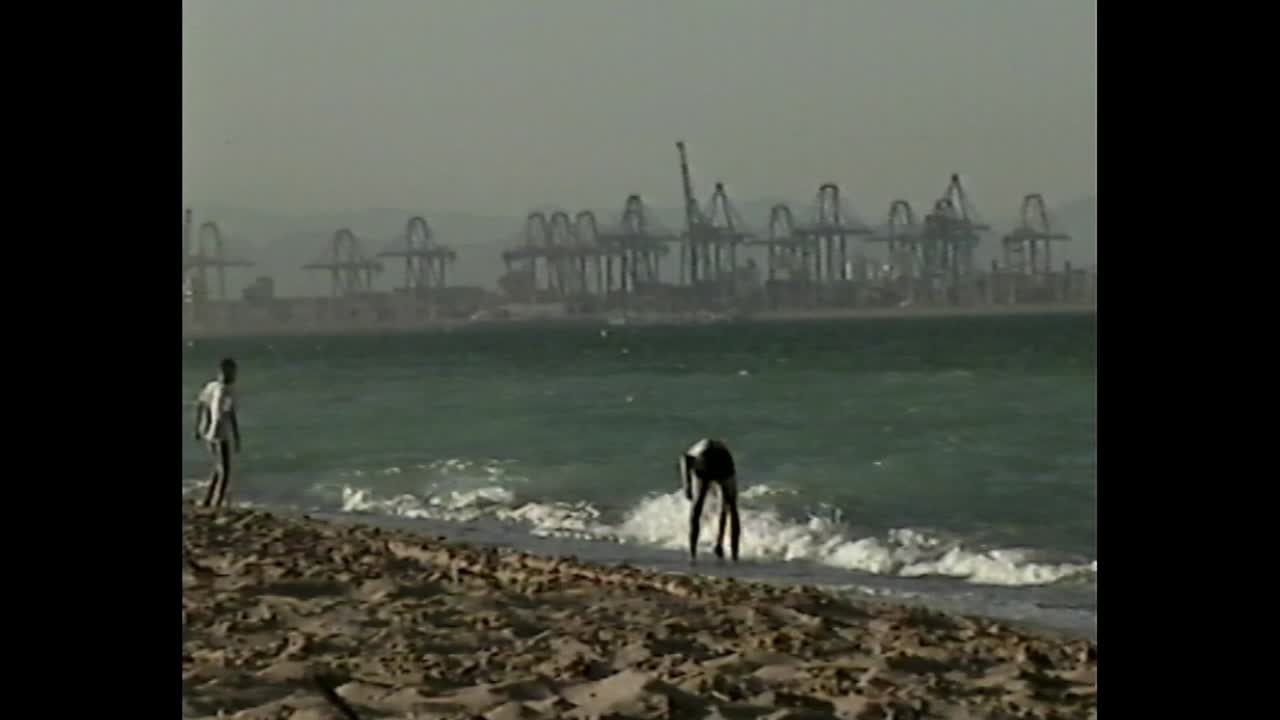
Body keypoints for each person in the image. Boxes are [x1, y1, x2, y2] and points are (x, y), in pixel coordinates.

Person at [680, 438, 741, 563]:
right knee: (729, 507)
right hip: (713, 459)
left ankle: (694, 552)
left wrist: (687, 484)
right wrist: (687, 484)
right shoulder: (701, 451)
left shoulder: (698, 453)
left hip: (714, 460)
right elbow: (685, 458)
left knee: (699, 506)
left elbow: (685, 458)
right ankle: (729, 553)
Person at [194, 357, 241, 508]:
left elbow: (201, 404)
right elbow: (227, 414)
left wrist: (200, 426)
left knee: (218, 468)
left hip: (210, 433)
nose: (233, 375)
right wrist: (235, 436)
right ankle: (217, 502)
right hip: (219, 434)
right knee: (224, 470)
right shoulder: (225, 390)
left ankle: (208, 500)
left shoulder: (213, 387)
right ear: (223, 372)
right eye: (231, 372)